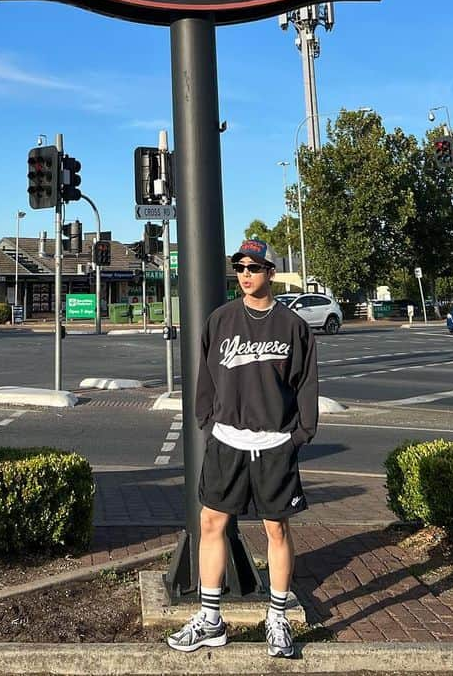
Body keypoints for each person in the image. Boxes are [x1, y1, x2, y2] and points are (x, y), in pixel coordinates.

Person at [167, 239, 318, 661]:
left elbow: (305, 382)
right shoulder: (220, 320)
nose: (246, 273)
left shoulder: (292, 326)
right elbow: (205, 377)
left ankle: (277, 618)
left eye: (255, 266)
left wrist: (301, 432)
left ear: (271, 271)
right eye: (240, 266)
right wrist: (206, 419)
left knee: (277, 528)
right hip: (228, 441)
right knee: (211, 522)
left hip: (274, 443)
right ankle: (211, 620)